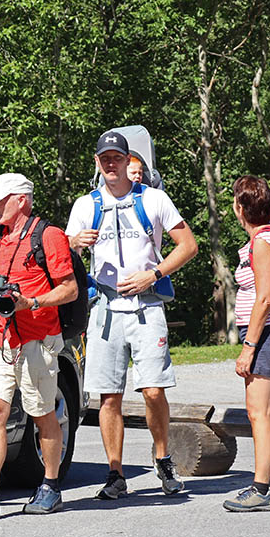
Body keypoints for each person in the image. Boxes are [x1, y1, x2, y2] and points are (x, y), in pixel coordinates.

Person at [66, 131, 198, 499]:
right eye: (104, 158)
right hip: (104, 309)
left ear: (128, 161)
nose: (111, 163)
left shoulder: (153, 199)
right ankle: (115, 473)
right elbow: (61, 256)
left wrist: (153, 275)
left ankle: (162, 458)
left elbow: (188, 245)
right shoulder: (84, 205)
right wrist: (75, 244)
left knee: (153, 390)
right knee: (109, 396)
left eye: (117, 158)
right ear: (97, 162)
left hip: (146, 306)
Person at [0, 173, 78, 518]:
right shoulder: (0, 236)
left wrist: (31, 303)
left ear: (21, 199)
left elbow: (69, 289)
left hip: (36, 338)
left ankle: (50, 487)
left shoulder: (49, 236)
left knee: (42, 414)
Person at [224, 175, 270, 511]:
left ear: (241, 208)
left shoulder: (262, 243)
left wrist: (248, 347)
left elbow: (264, 298)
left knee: (258, 413)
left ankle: (261, 489)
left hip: (266, 332)